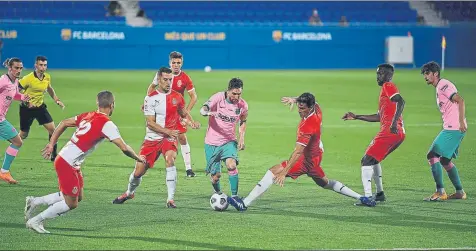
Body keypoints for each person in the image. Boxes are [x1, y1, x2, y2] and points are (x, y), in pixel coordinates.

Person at [227, 93, 375, 211]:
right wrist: (295, 99)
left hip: (306, 160)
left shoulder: (308, 126)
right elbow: (312, 100)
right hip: (317, 154)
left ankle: (244, 204)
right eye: (299, 107)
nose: (299, 110)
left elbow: (298, 152)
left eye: (303, 108)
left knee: (273, 171)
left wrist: (284, 172)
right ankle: (362, 198)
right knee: (325, 183)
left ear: (310, 108)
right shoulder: (316, 109)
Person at [24, 91, 146, 234]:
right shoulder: (107, 124)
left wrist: (52, 144)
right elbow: (124, 148)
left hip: (70, 161)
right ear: (112, 105)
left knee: (78, 196)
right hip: (67, 163)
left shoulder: (88, 115)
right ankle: (36, 221)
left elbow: (63, 122)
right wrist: (138, 158)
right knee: (71, 203)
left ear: (98, 103)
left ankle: (34, 201)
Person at [113, 67, 200, 208]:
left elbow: (183, 113)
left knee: (170, 159)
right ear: (158, 79)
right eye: (165, 79)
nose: (168, 82)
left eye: (170, 80)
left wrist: (192, 122)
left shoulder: (177, 97)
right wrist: (168, 131)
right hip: (152, 139)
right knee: (138, 172)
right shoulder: (150, 98)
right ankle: (129, 193)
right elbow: (150, 123)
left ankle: (170, 199)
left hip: (169, 139)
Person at [342, 63, 405, 203]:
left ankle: (368, 197)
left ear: (389, 75)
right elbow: (378, 117)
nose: (378, 76)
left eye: (381, 73)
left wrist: (394, 123)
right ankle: (380, 193)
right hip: (397, 133)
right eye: (377, 73)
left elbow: (401, 101)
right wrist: (357, 116)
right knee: (374, 159)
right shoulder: (385, 90)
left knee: (366, 160)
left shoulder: (388, 86)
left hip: (390, 131)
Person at [420, 61, 467, 201]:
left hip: (453, 128)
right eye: (424, 74)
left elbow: (461, 100)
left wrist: (460, 122)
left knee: (432, 155)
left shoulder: (443, 85)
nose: (425, 77)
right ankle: (460, 192)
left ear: (435, 74)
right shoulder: (439, 87)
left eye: (427, 73)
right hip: (453, 127)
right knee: (445, 160)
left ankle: (440, 191)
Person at [147, 51, 198, 177]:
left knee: (182, 137)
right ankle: (147, 162)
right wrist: (148, 101)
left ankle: (188, 169)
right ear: (170, 63)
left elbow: (194, 97)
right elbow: (151, 88)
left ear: (182, 63)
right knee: (157, 135)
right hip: (162, 111)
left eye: (178, 63)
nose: (176, 65)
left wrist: (186, 113)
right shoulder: (162, 75)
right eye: (174, 62)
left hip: (177, 112)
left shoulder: (185, 78)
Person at [199, 78, 248, 202]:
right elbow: (204, 108)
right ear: (228, 90)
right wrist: (206, 113)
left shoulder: (242, 105)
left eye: (239, 94)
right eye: (234, 94)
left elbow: (243, 121)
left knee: (231, 165)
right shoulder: (218, 98)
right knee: (216, 176)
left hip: (229, 141)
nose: (236, 97)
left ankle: (235, 197)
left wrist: (242, 137)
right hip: (212, 142)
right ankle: (218, 193)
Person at [18, 55, 65, 161]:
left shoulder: (47, 77)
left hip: (40, 108)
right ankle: (11, 147)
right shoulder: (28, 78)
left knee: (53, 130)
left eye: (45, 65)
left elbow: (49, 88)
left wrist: (57, 100)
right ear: (36, 65)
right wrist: (26, 101)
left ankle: (53, 154)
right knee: (23, 135)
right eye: (41, 65)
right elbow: (16, 90)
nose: (43, 67)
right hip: (26, 109)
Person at [0, 58, 29, 184]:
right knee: (17, 141)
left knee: (17, 142)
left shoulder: (15, 81)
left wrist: (23, 97)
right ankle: (4, 172)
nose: (19, 70)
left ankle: (4, 172)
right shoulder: (3, 80)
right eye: (16, 68)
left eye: (20, 68)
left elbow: (15, 95)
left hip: (2, 118)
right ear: (10, 68)